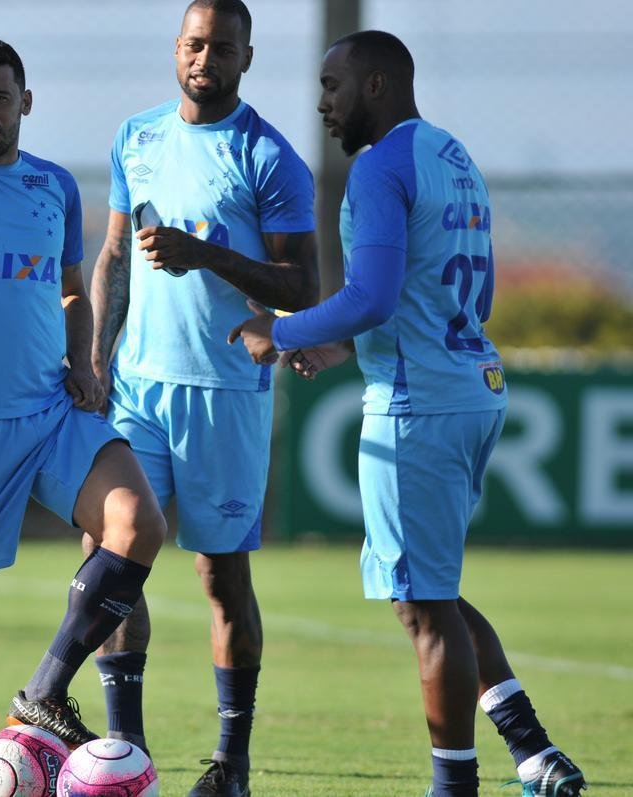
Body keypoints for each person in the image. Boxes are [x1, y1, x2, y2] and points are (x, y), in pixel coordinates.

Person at [230, 30, 586, 797]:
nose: (322, 104)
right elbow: (466, 298)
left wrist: (281, 332)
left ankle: (453, 784)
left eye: (333, 87)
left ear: (378, 86)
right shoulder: (454, 159)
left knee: (423, 605)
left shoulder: (378, 169)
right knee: (434, 588)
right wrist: (350, 351)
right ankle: (533, 751)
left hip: (417, 408)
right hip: (470, 387)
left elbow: (374, 297)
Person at [0, 38, 166, 797]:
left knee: (138, 522)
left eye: (1, 96)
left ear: (27, 100)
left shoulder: (55, 185)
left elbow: (72, 287)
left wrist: (87, 359)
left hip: (52, 409)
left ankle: (45, 691)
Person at [88, 1, 319, 795]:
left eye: (221, 46)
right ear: (175, 49)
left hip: (225, 394)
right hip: (140, 389)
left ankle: (232, 762)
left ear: (246, 56)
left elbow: (301, 284)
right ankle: (127, 754)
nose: (204, 58)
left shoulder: (272, 159)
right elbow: (115, 251)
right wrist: (96, 352)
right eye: (193, 44)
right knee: (113, 562)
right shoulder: (137, 137)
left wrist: (208, 255)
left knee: (221, 578)